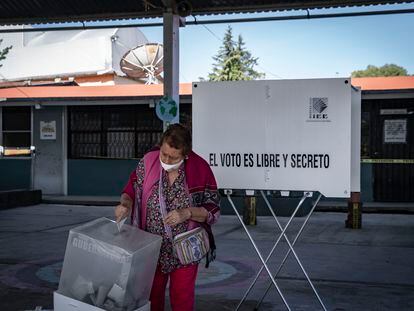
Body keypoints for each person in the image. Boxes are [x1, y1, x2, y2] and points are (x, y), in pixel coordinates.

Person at [115, 123, 220, 311]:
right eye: (164, 153)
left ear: (186, 154)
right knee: (151, 295)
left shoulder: (200, 168)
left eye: (173, 157)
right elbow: (130, 190)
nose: (166, 160)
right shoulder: (148, 161)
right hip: (151, 245)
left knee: (182, 297)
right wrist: (125, 205)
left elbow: (213, 207)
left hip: (186, 247)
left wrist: (187, 212)